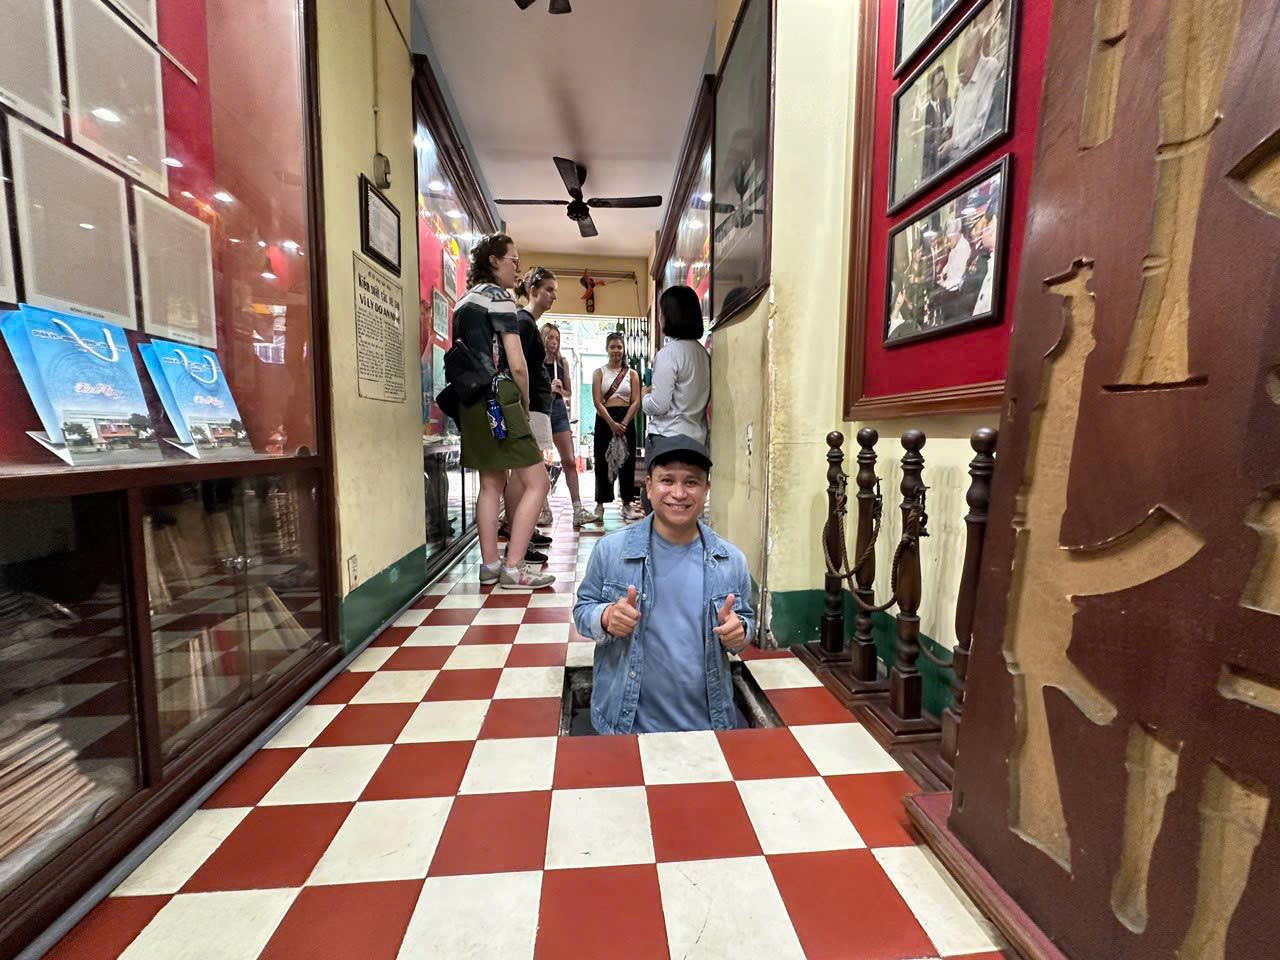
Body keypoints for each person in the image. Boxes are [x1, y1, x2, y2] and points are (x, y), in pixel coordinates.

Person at [573, 435, 755, 734]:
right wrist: (606, 617)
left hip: (708, 726)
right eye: (667, 480)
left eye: (691, 482)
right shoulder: (611, 551)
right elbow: (583, 611)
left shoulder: (730, 560)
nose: (678, 493)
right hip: (626, 726)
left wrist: (739, 632)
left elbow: (744, 621)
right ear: (648, 486)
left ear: (707, 488)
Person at [453, 233, 554, 591]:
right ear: (494, 261)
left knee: (490, 483)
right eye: (513, 260)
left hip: (470, 401)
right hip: (500, 397)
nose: (518, 268)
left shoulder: (464, 301)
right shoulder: (499, 298)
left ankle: (490, 565)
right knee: (538, 482)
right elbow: (517, 363)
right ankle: (514, 567)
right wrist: (522, 405)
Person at [641, 285, 710, 514]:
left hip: (667, 439)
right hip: (696, 440)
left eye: (662, 312)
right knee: (685, 508)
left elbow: (659, 405)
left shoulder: (669, 354)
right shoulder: (703, 354)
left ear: (670, 315)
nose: (660, 318)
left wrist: (644, 397)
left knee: (658, 505)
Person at [541, 322, 592, 528]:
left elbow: (569, 393)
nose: (554, 342)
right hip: (540, 412)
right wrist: (548, 387)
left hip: (559, 412)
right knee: (538, 464)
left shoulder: (562, 362)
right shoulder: (534, 361)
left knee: (569, 460)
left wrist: (561, 390)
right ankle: (544, 510)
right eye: (550, 337)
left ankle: (578, 509)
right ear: (543, 338)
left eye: (557, 338)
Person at [591, 332, 642, 521]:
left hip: (626, 419)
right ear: (607, 349)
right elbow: (597, 401)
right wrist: (612, 424)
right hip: (605, 420)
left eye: (619, 347)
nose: (616, 351)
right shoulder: (599, 373)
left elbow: (636, 401)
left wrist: (624, 423)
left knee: (627, 462)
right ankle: (600, 504)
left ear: (624, 349)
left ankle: (627, 503)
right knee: (602, 461)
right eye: (612, 347)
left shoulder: (632, 374)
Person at [938, 31, 1002, 162]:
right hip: (956, 157)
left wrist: (953, 143)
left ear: (977, 55)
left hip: (973, 157)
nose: (961, 78)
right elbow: (958, 108)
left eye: (965, 70)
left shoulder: (989, 68)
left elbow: (981, 124)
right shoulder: (965, 76)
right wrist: (949, 124)